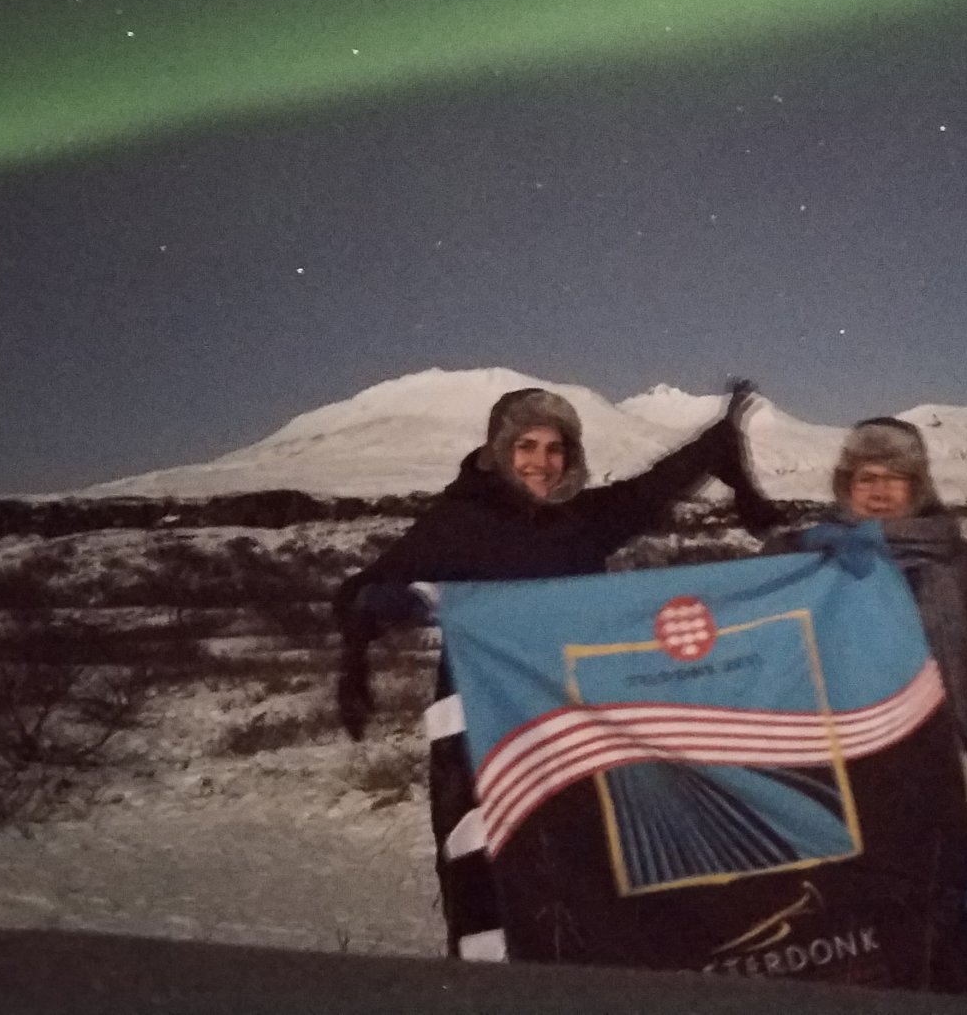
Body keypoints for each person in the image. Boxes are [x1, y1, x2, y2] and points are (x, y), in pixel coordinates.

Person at [334, 382, 780, 962]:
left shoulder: (585, 520)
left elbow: (655, 488)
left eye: (555, 448)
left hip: (573, 727)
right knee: (490, 873)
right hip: (482, 733)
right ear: (499, 449)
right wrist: (376, 613)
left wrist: (719, 439)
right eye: (527, 446)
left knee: (584, 874)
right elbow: (363, 588)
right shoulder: (456, 522)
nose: (541, 463)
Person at [767, 416, 967, 993]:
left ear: (920, 488)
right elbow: (746, 606)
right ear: (845, 487)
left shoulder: (958, 576)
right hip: (837, 803)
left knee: (939, 973)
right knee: (845, 973)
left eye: (896, 478)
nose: (880, 491)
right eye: (867, 477)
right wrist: (790, 550)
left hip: (938, 800)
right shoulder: (814, 565)